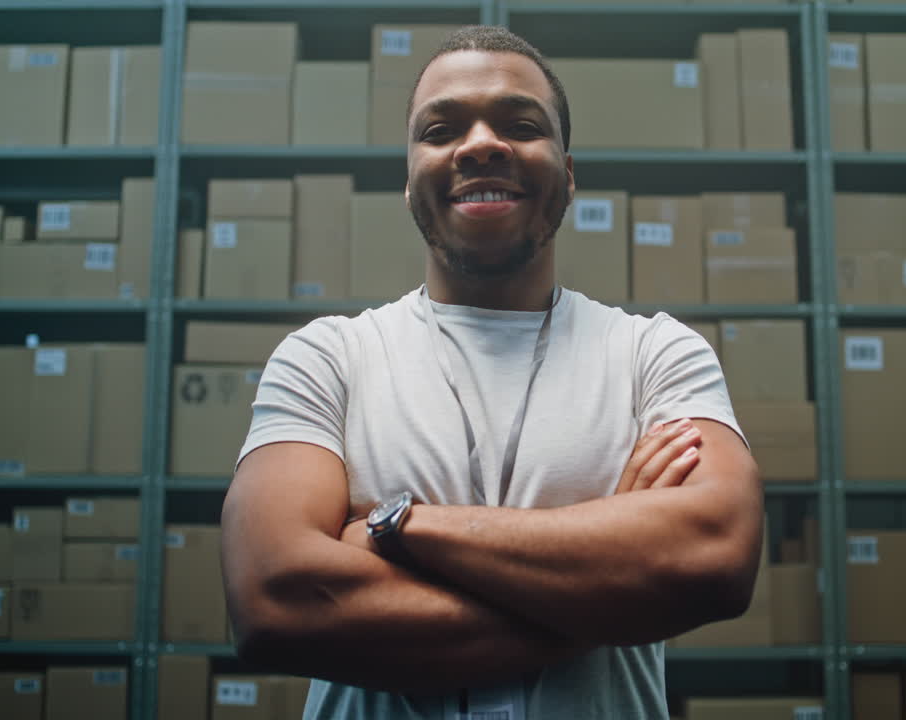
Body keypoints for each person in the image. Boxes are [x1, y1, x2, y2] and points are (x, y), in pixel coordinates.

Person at [221, 25, 764, 720]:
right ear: (410, 177)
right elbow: (273, 602)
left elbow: (715, 559)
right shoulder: (327, 358)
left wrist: (402, 528)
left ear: (567, 174)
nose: (480, 144)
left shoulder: (655, 355)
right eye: (441, 128)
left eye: (520, 124)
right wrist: (607, 587)